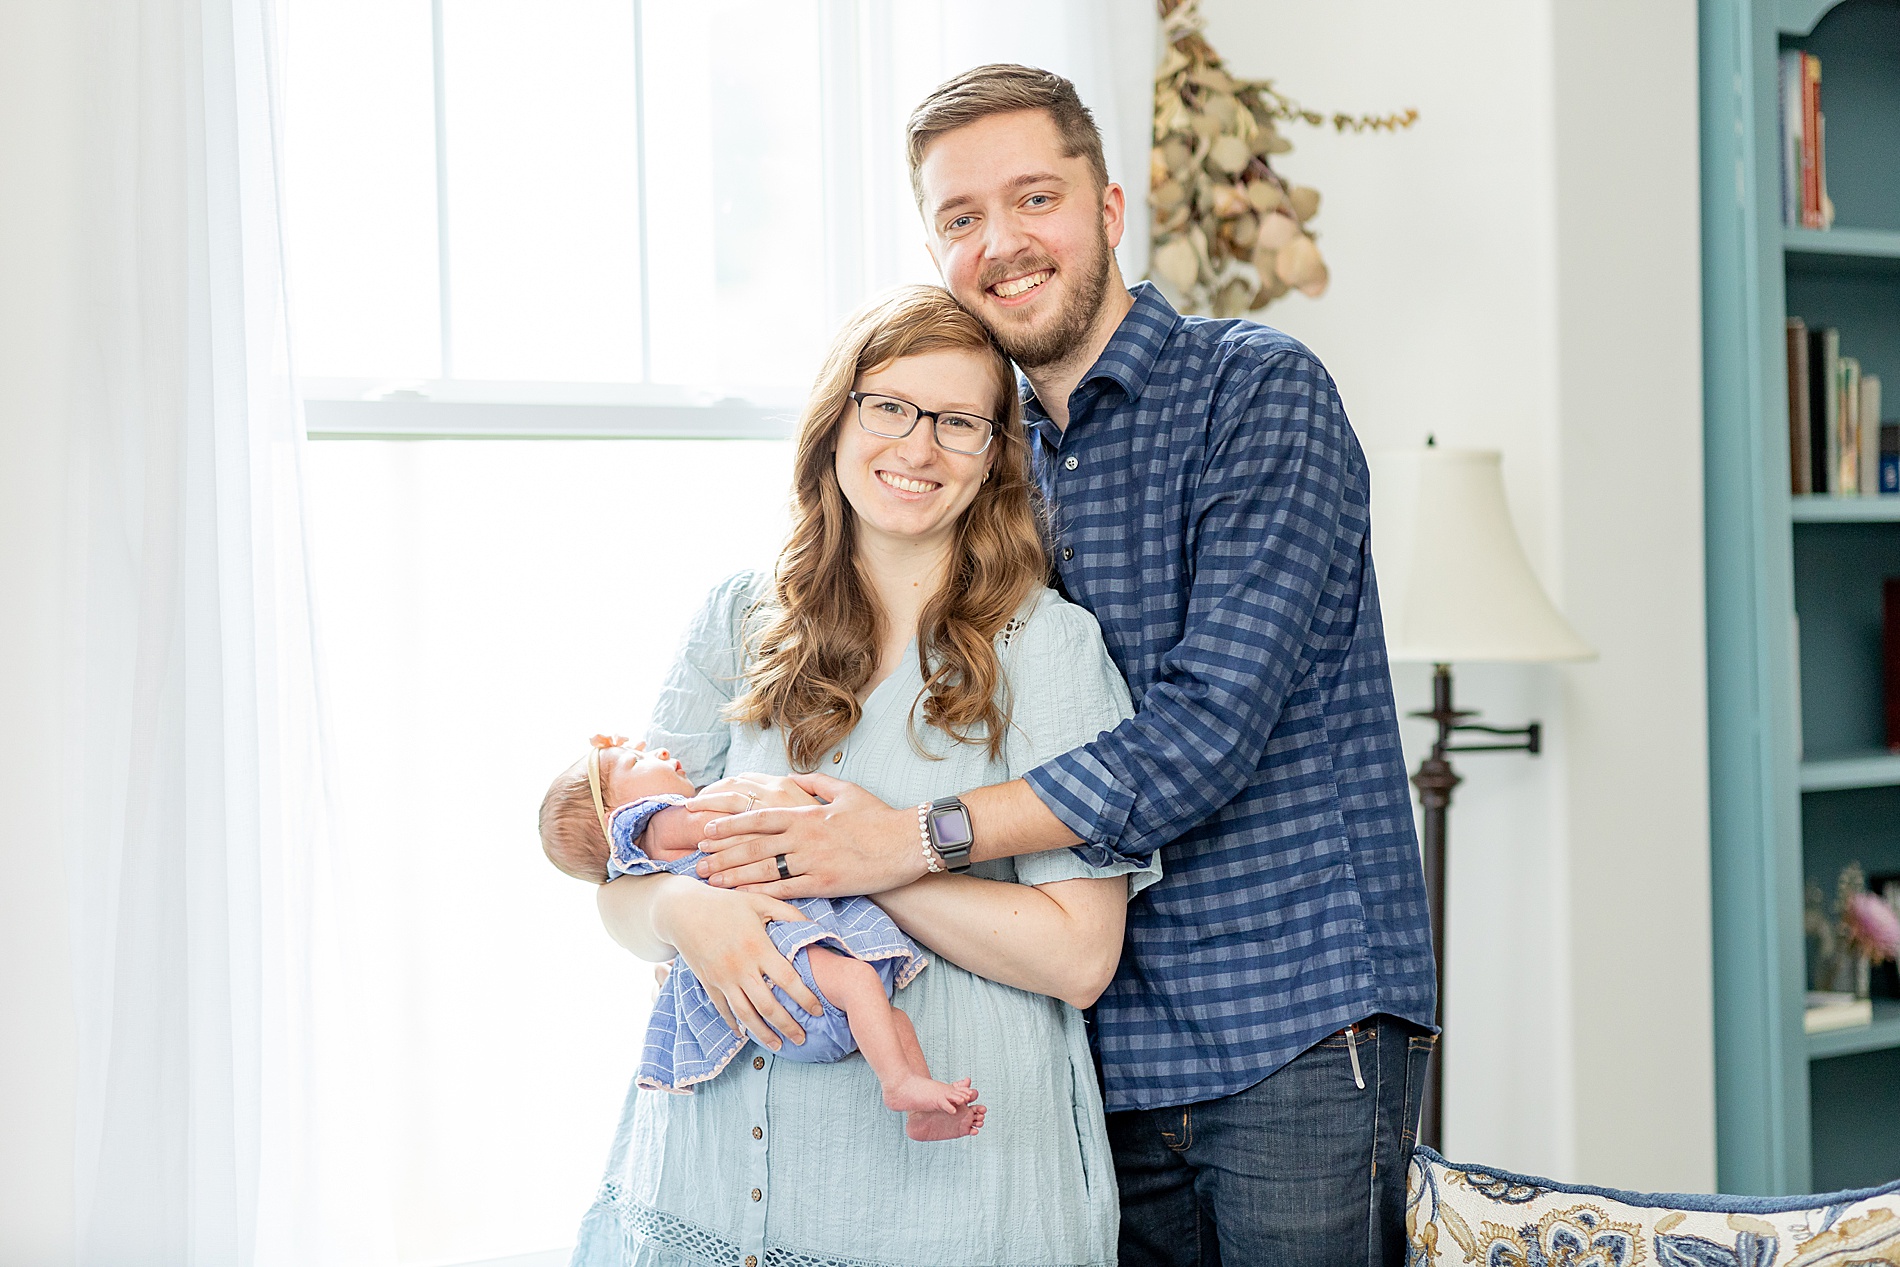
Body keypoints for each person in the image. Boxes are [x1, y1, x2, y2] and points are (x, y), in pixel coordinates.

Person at [687, 65, 1438, 1267]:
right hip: (1086, 1044)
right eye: (960, 217)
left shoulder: (1254, 392)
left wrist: (900, 841)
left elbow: (1201, 734)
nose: (1001, 242)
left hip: (1288, 1020)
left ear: (1107, 206)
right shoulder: (977, 448)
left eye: (1032, 197)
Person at [577, 284, 1159, 1267]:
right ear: (835, 419)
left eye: (958, 422)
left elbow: (1078, 956)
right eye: (888, 406)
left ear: (994, 458)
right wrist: (685, 915)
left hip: (943, 1200)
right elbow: (620, 877)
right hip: (711, 1173)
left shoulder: (1046, 651)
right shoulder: (739, 618)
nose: (917, 447)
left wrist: (875, 857)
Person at [539, 735, 983, 1140]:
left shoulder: (641, 865)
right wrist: (795, 805)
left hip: (787, 1015)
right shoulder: (659, 823)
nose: (654, 751)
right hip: (782, 974)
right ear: (617, 818)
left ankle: (922, 1112)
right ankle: (898, 1085)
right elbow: (734, 817)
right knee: (860, 984)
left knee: (889, 1021)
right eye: (635, 762)